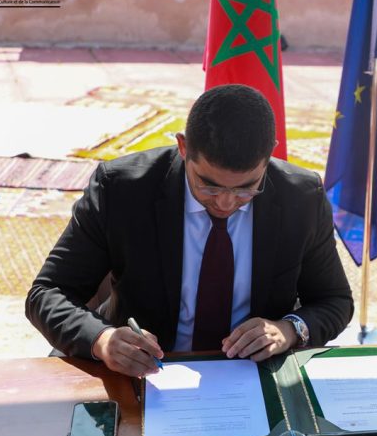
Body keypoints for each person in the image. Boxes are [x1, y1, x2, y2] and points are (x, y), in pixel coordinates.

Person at [27, 84, 354, 377]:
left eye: (246, 189)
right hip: (142, 374)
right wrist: (102, 339)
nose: (226, 203)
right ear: (183, 148)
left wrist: (290, 328)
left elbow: (334, 300)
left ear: (269, 157)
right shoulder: (122, 189)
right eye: (209, 186)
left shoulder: (301, 196)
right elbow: (47, 292)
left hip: (251, 377)